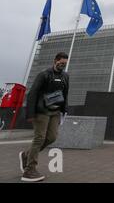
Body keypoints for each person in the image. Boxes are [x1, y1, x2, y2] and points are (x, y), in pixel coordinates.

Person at [19, 52, 69, 182]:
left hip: (56, 112)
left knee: (52, 137)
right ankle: (29, 170)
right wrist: (30, 114)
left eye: (65, 64)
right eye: (61, 63)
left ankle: (26, 155)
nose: (62, 65)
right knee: (39, 138)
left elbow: (65, 94)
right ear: (55, 60)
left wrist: (64, 111)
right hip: (42, 111)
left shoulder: (65, 76)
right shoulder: (44, 74)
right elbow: (32, 94)